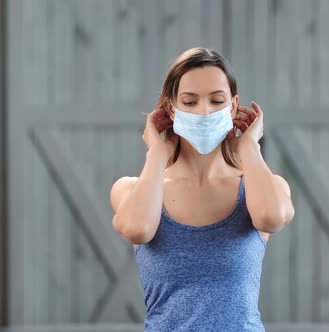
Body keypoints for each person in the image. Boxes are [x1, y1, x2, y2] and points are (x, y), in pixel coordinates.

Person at [110, 47, 295, 331]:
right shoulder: (132, 190)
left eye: (217, 100)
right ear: (171, 108)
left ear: (233, 106)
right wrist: (157, 154)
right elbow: (137, 229)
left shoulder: (263, 187)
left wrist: (249, 147)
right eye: (190, 101)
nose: (205, 111)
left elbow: (272, 217)